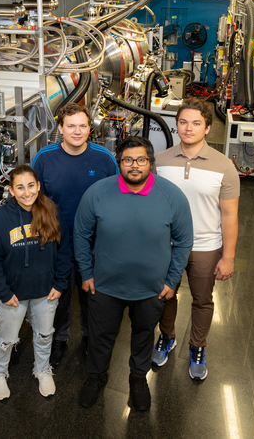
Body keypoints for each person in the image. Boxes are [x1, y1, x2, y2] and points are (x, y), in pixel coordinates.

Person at [74, 136, 194, 410]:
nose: (134, 166)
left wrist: (172, 281)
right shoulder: (98, 192)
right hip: (104, 287)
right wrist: (86, 273)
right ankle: (96, 376)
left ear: (150, 163)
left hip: (152, 288)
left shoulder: (172, 196)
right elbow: (80, 235)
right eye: (128, 160)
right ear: (119, 163)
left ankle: (138, 379)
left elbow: (185, 241)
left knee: (143, 335)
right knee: (101, 336)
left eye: (141, 160)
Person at [153, 98, 240, 380]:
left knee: (203, 301)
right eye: (183, 122)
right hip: (168, 246)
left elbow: (229, 215)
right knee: (165, 294)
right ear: (176, 124)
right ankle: (167, 337)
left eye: (196, 123)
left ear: (208, 128)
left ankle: (197, 347)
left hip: (205, 246)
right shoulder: (161, 161)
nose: (188, 129)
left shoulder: (224, 166)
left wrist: (228, 257)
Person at [32, 103, 118, 366]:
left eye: (82, 126)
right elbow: (34, 200)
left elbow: (116, 198)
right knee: (60, 293)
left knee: (93, 294)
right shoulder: (44, 158)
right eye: (71, 126)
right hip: (57, 241)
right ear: (60, 128)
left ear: (90, 129)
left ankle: (90, 338)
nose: (77, 131)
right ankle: (59, 339)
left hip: (94, 243)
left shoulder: (104, 159)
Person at [0, 165, 71, 400]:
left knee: (44, 335)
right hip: (13, 292)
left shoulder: (51, 210)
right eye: (20, 187)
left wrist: (60, 283)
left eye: (31, 186)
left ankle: (42, 370)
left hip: (46, 290)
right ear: (11, 190)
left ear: (38, 186)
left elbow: (64, 251)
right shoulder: (0, 218)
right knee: (6, 338)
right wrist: (2, 290)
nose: (26, 192)